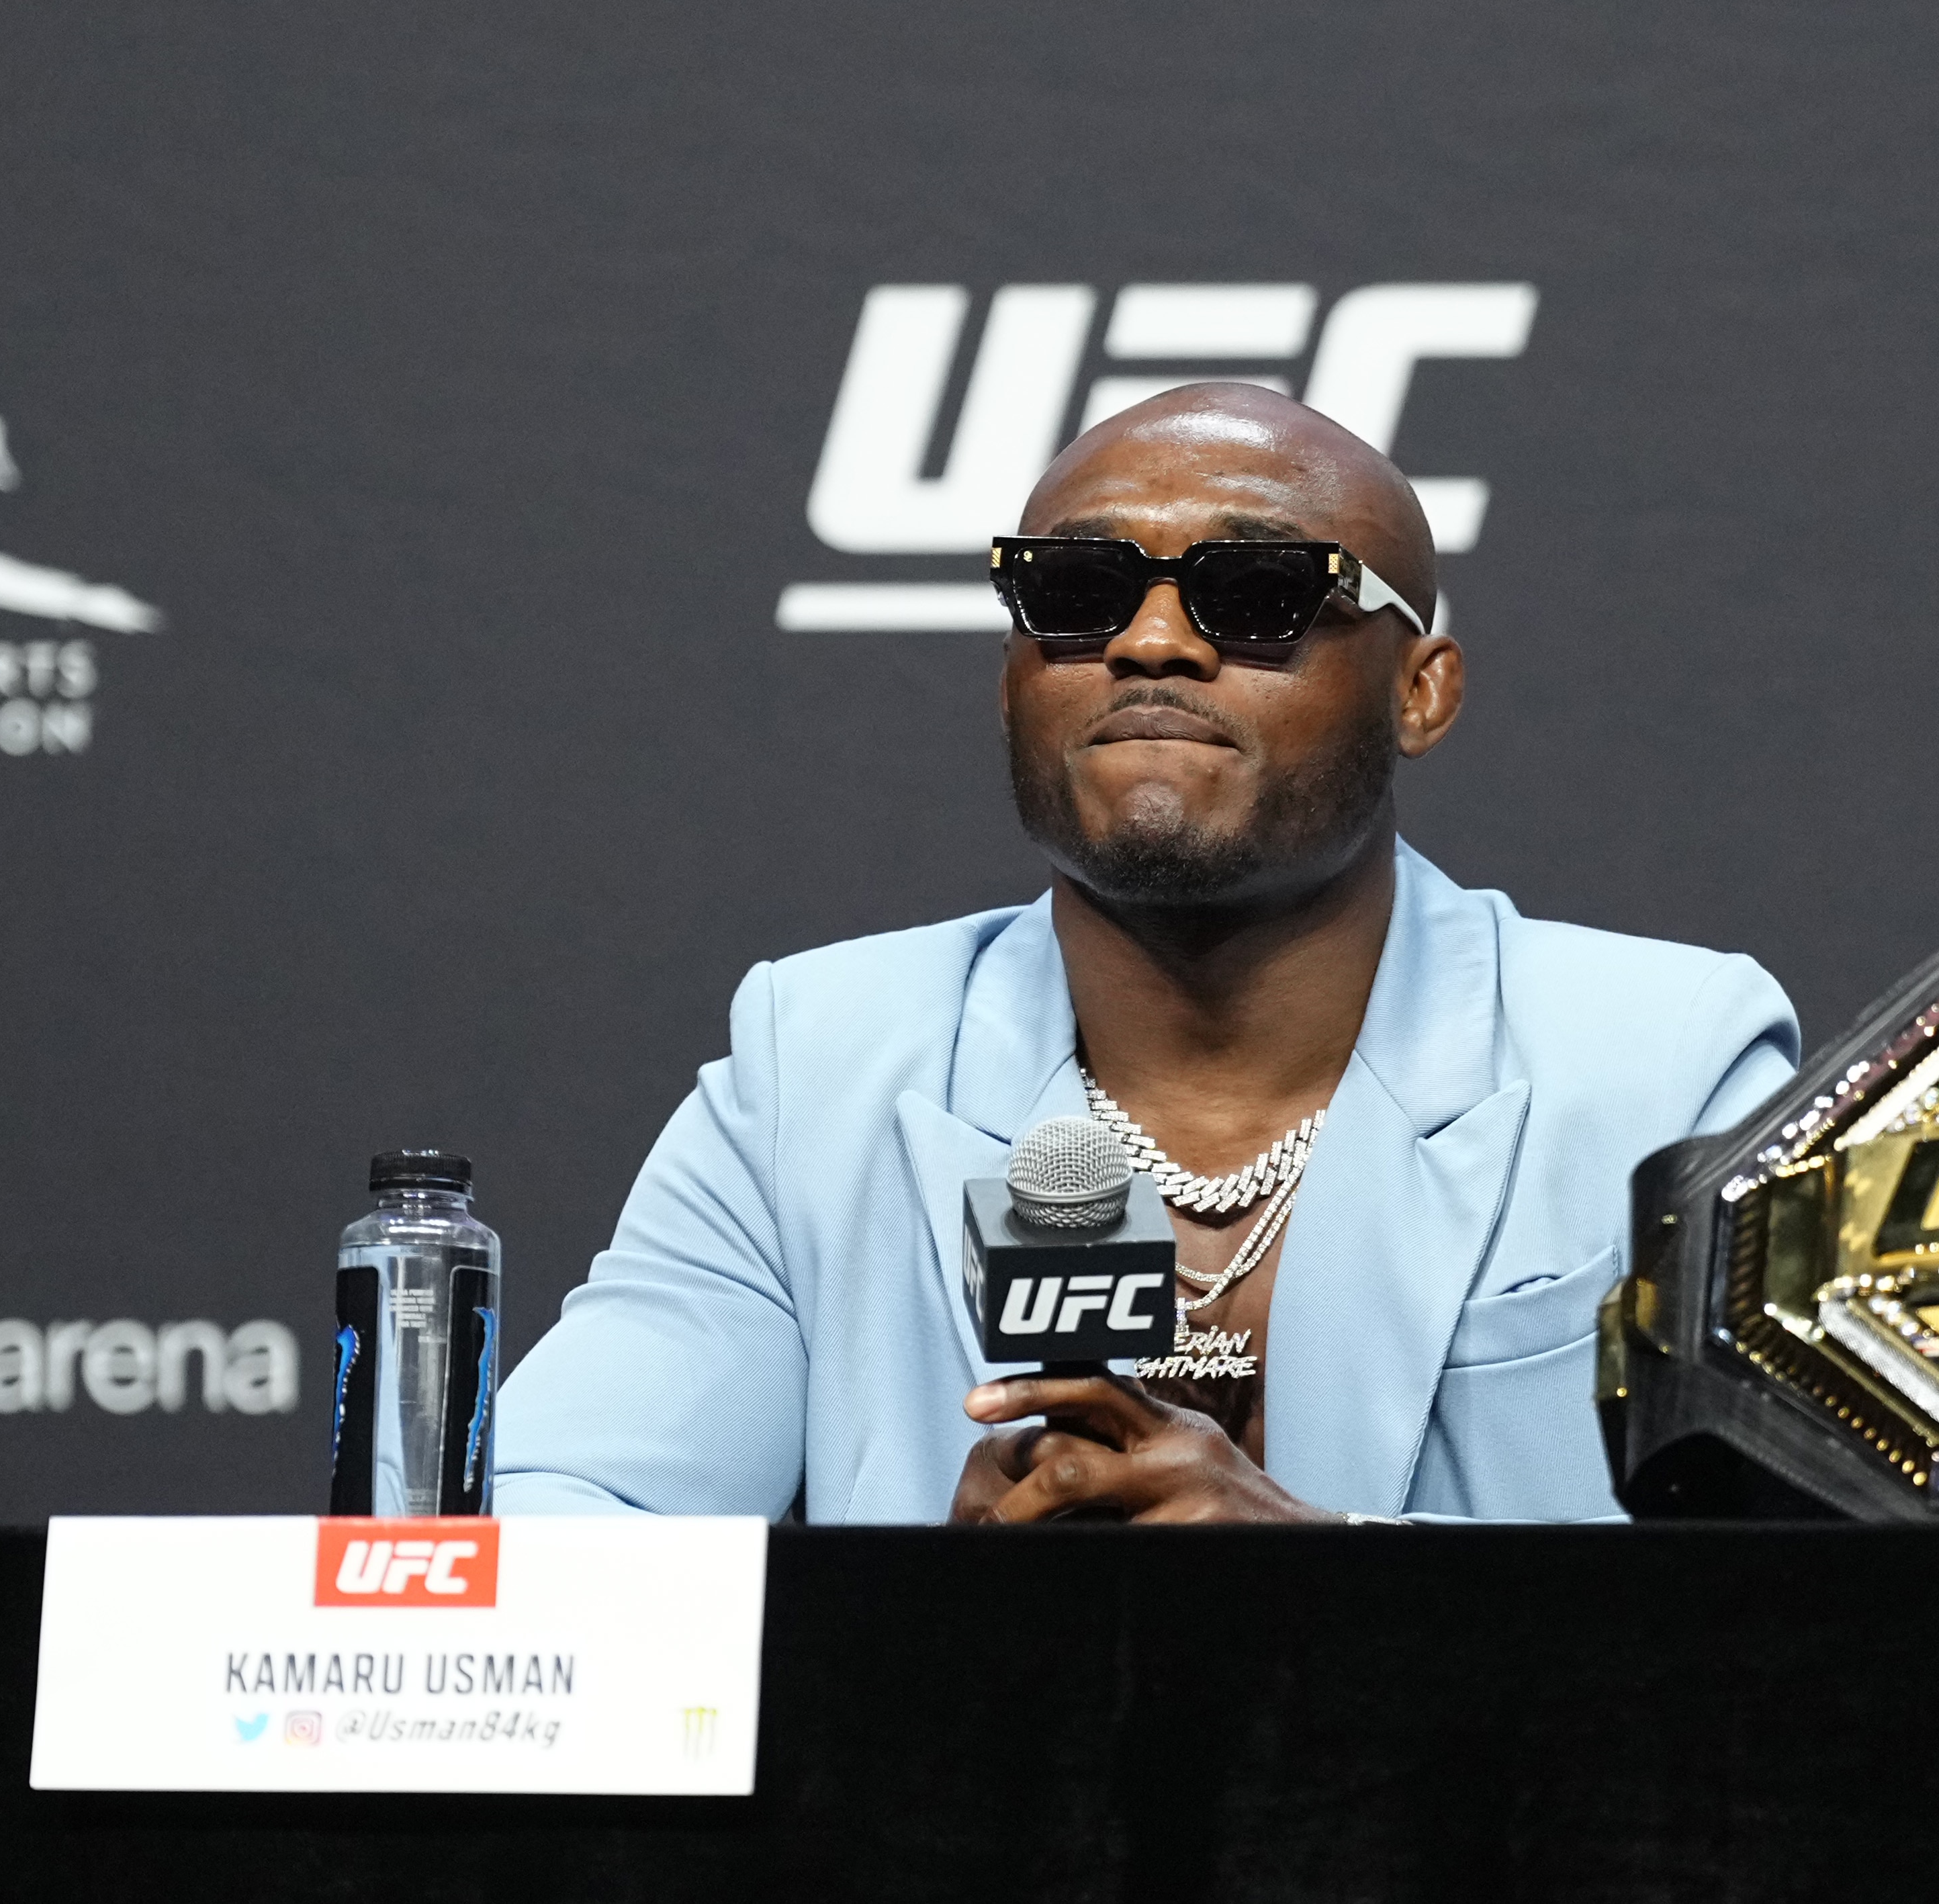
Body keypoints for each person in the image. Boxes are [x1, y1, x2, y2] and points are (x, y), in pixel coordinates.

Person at [494, 383, 1797, 1523]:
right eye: (1076, 593)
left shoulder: (1663, 1065)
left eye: (1258, 593)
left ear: (1421, 689)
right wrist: (914, 1618)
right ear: (1012, 675)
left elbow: (1803, 1591)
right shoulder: (817, 1065)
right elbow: (553, 1516)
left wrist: (1338, 1577)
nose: (1151, 641)